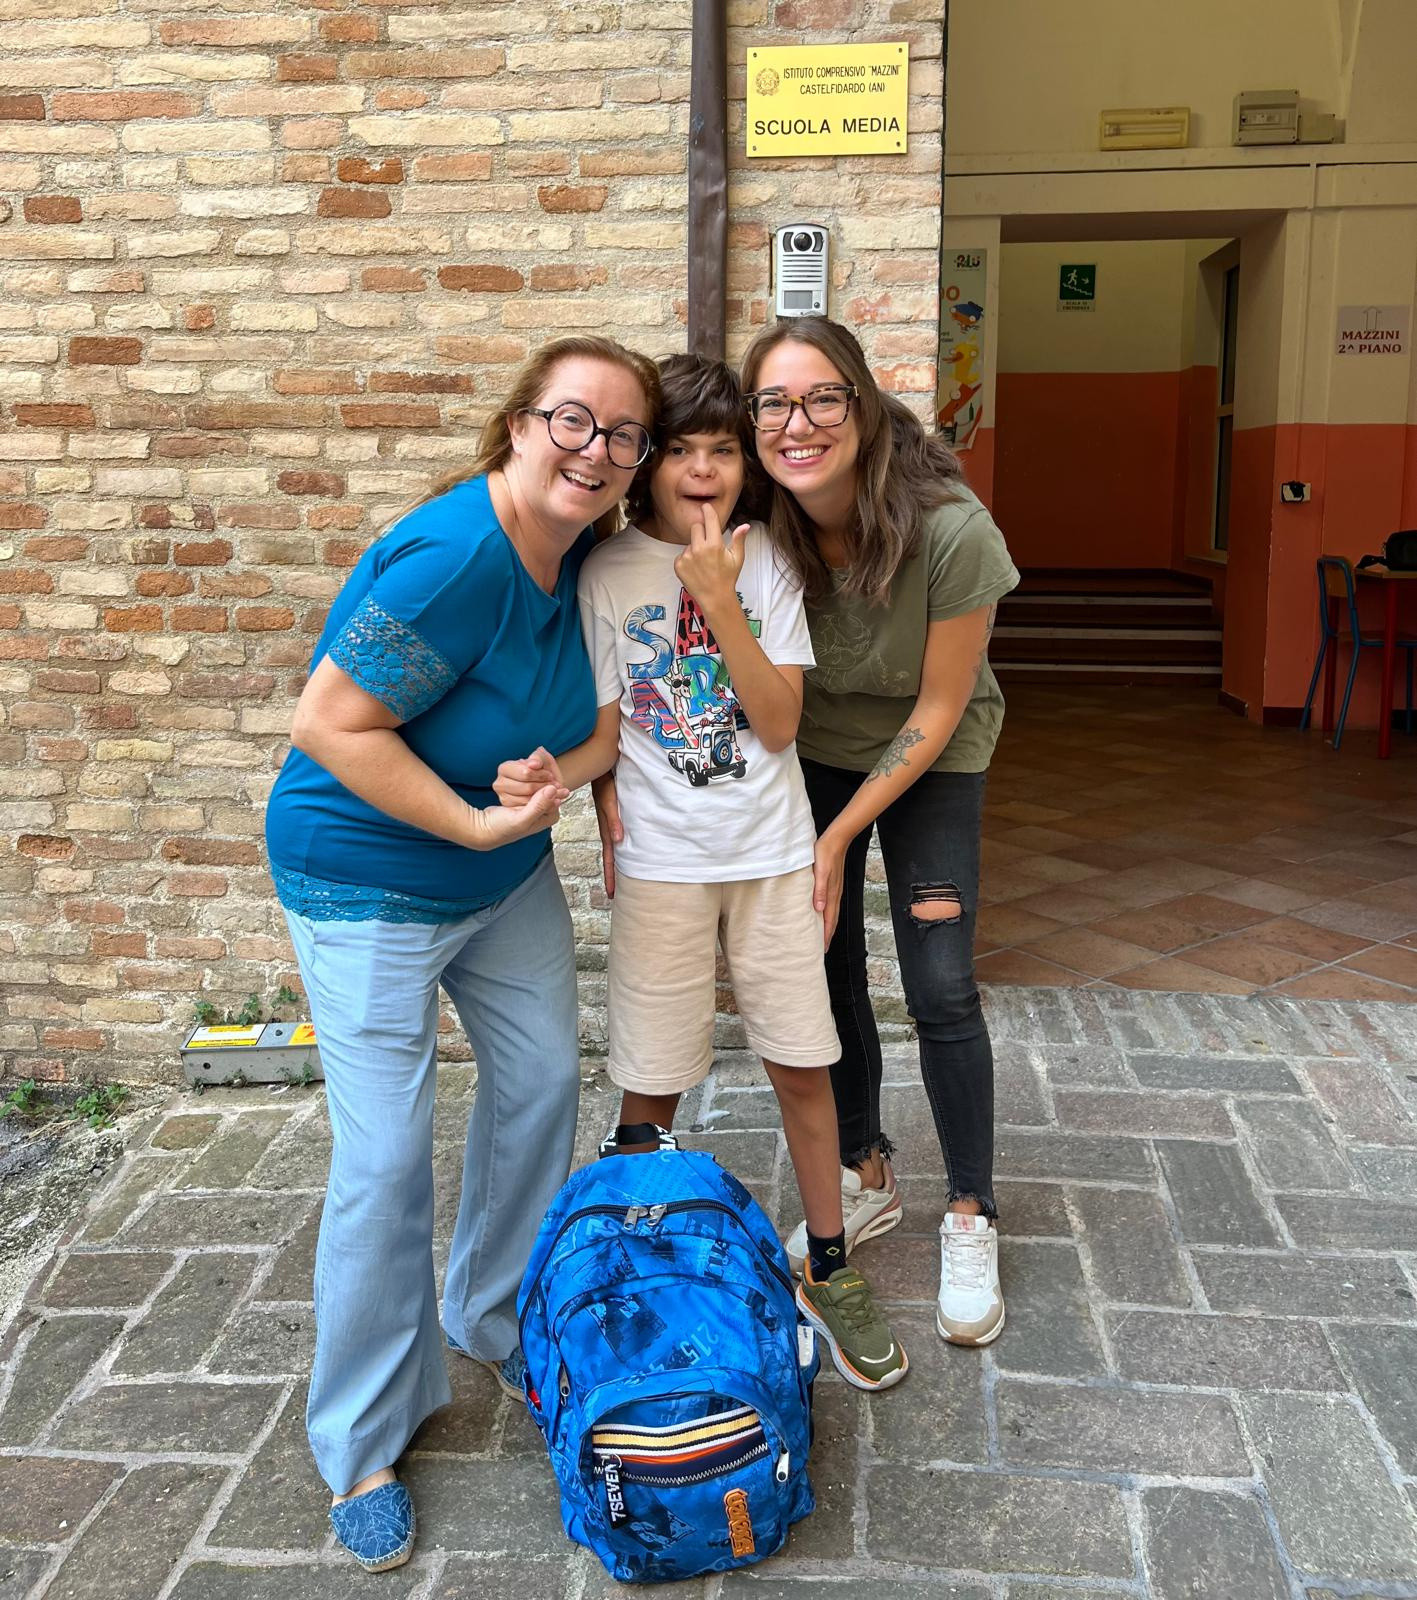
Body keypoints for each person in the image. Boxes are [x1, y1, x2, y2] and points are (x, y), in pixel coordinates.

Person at [263, 335, 660, 1572]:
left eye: (620, 434)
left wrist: (557, 778)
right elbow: (327, 722)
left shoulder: (579, 554)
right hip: (367, 885)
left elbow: (595, 726)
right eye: (572, 422)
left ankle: (491, 1315)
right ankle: (362, 1439)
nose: (593, 451)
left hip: (500, 883)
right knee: (384, 1165)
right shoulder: (459, 556)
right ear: (518, 424)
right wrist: (480, 821)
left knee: (544, 1081)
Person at [496, 354, 907, 1393]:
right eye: (681, 448)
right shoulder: (605, 571)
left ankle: (827, 1263)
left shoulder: (763, 559)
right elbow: (606, 734)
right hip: (664, 865)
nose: (703, 468)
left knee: (800, 1065)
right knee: (652, 1078)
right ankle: (634, 1269)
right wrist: (568, 773)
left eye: (724, 449)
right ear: (646, 463)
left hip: (768, 859)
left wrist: (718, 596)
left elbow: (776, 721)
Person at [735, 316, 1020, 1349]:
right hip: (812, 748)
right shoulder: (759, 520)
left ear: (859, 403)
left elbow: (938, 710)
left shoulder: (950, 527)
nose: (796, 422)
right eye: (773, 402)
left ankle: (972, 1209)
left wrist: (835, 837)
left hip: (933, 752)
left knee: (938, 979)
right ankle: (864, 1169)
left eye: (821, 398)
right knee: (828, 964)